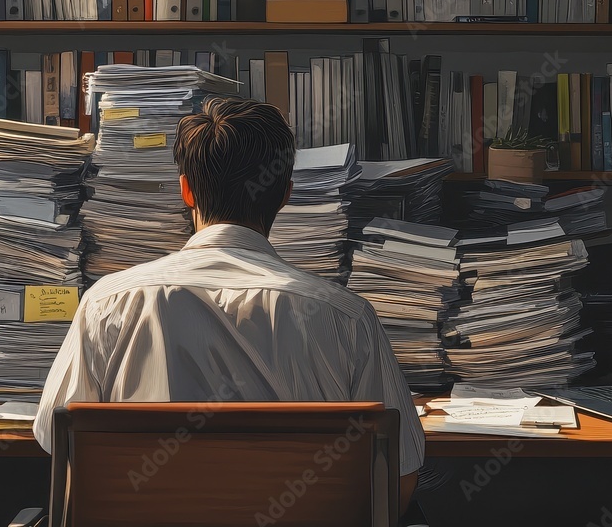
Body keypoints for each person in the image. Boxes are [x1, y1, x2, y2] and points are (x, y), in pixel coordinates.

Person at [34, 97, 425, 512]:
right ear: (284, 195)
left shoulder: (106, 304)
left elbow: (63, 450)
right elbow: (397, 478)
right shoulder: (345, 316)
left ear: (186, 190)